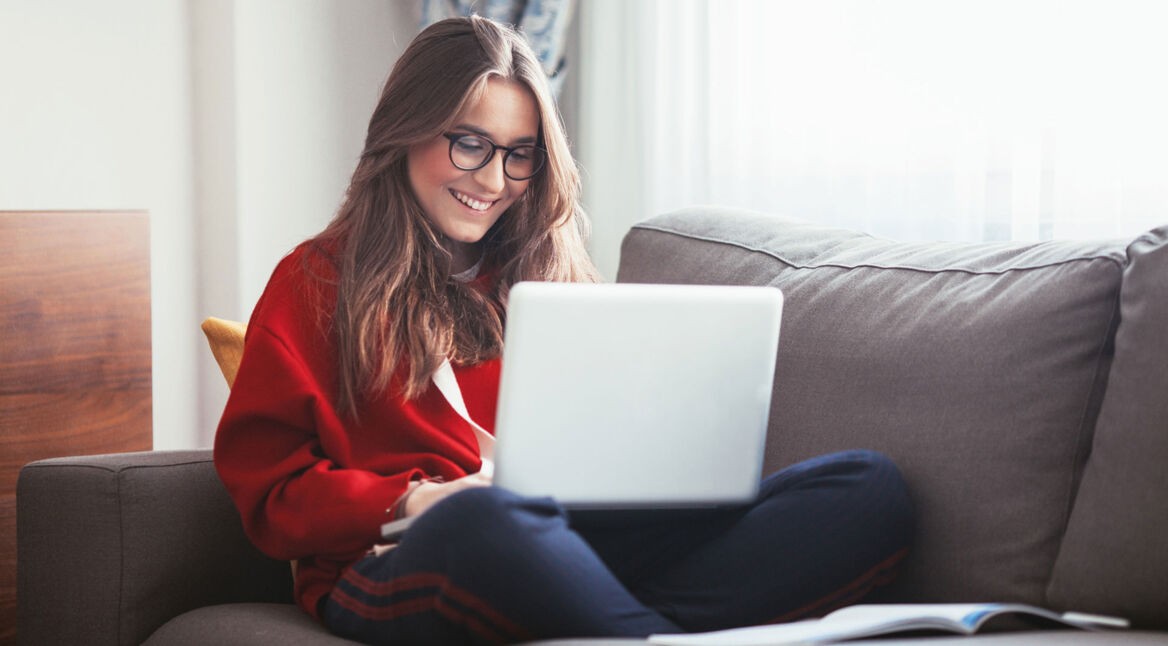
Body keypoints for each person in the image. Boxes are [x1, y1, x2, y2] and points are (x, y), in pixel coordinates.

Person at [213, 15, 914, 645]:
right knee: (486, 522)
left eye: (520, 154)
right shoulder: (316, 281)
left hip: (575, 544)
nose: (495, 180)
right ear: (406, 130)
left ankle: (617, 623)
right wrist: (414, 499)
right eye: (470, 145)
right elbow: (271, 495)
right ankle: (636, 624)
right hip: (408, 555)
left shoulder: (548, 275)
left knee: (867, 488)